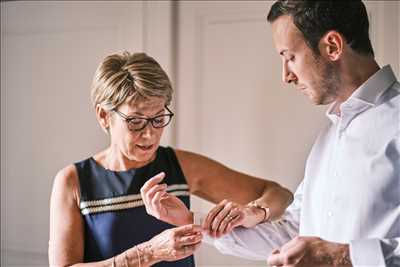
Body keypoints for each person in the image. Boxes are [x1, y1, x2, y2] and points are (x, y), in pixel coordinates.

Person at [142, 1, 400, 266]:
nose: (286, 76)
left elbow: (328, 254)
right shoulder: (328, 138)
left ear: (332, 46)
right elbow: (292, 233)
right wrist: (191, 220)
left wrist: (343, 257)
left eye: (290, 57)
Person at [48, 51, 293, 267]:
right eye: (135, 121)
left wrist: (253, 212)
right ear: (104, 116)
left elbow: (280, 194)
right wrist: (148, 254)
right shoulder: (73, 181)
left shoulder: (181, 166)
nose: (149, 133)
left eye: (158, 118)